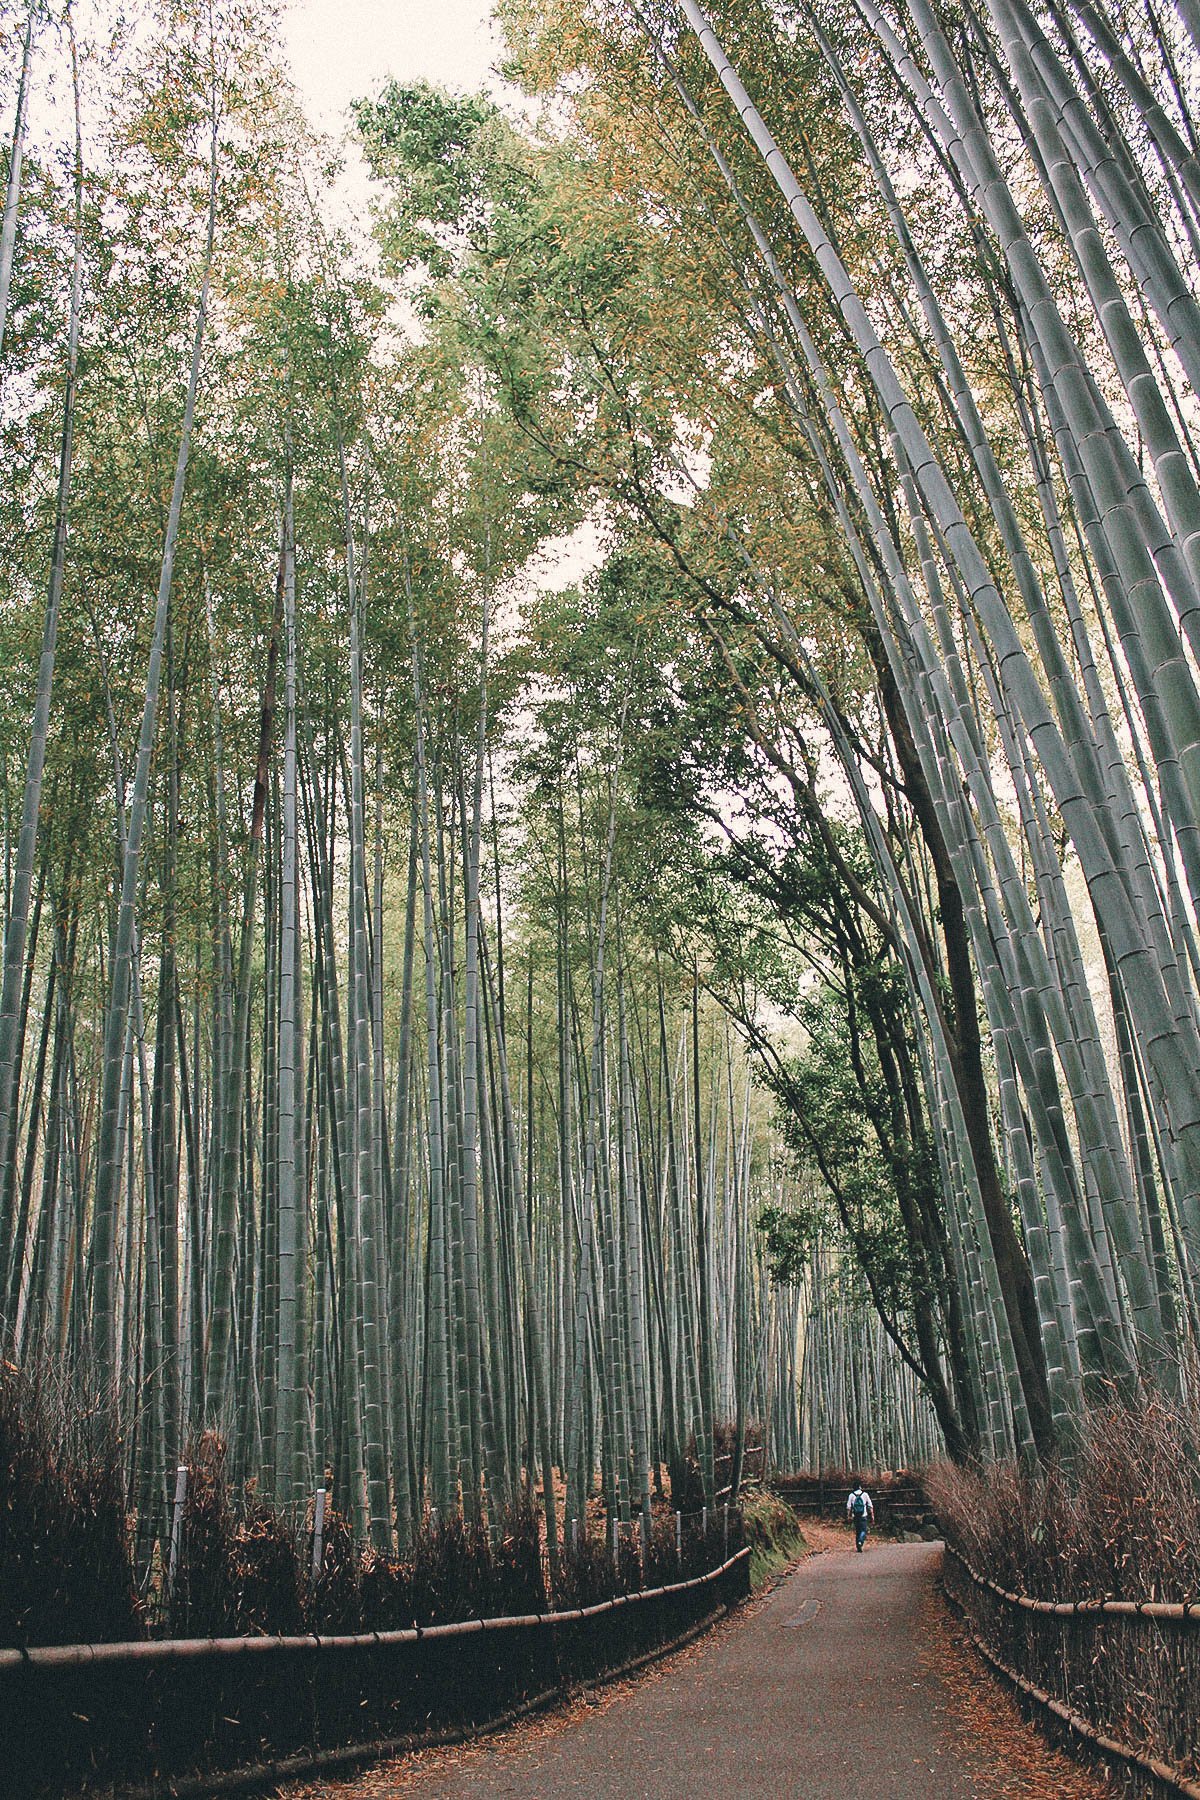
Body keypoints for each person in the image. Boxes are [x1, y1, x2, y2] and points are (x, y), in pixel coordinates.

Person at [846, 1478, 874, 1551]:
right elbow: (870, 1505)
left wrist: (848, 1516)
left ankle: (858, 1546)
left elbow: (848, 1507)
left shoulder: (851, 1495)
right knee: (863, 1530)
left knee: (858, 1531)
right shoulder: (865, 1494)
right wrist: (872, 1515)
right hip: (863, 1515)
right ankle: (860, 1542)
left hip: (855, 1515)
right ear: (860, 1487)